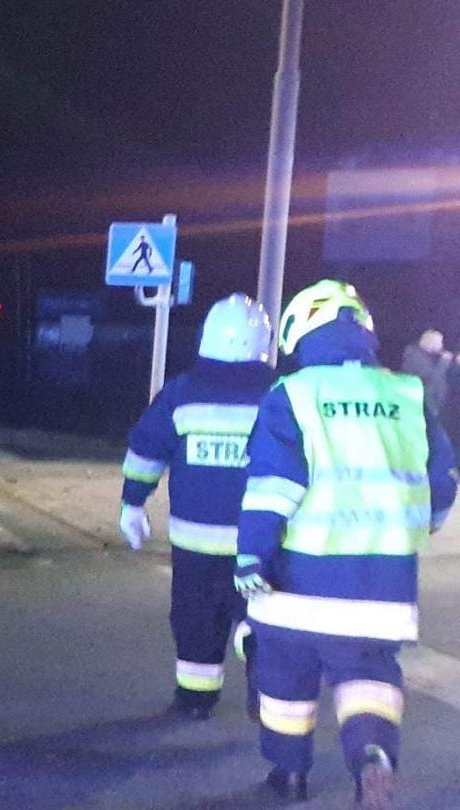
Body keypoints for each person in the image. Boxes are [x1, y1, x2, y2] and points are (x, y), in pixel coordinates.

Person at [235, 280, 457, 806]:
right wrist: (419, 526)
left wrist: (250, 555)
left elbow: (273, 486)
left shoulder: (292, 395)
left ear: (299, 332)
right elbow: (441, 482)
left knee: (284, 679)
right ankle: (372, 754)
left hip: (298, 585)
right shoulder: (407, 395)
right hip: (381, 591)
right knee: (368, 679)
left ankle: (289, 776)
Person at [118, 294, 277, 722]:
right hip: (261, 545)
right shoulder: (279, 397)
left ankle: (195, 699)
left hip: (195, 545)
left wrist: (133, 502)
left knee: (195, 621)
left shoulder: (182, 394)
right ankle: (262, 679)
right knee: (261, 617)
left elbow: (147, 448)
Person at [399, 329, 451, 417]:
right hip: (424, 405)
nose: (441, 346)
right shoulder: (414, 356)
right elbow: (431, 379)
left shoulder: (432, 356)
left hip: (435, 405)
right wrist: (444, 362)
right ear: (430, 342)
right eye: (439, 342)